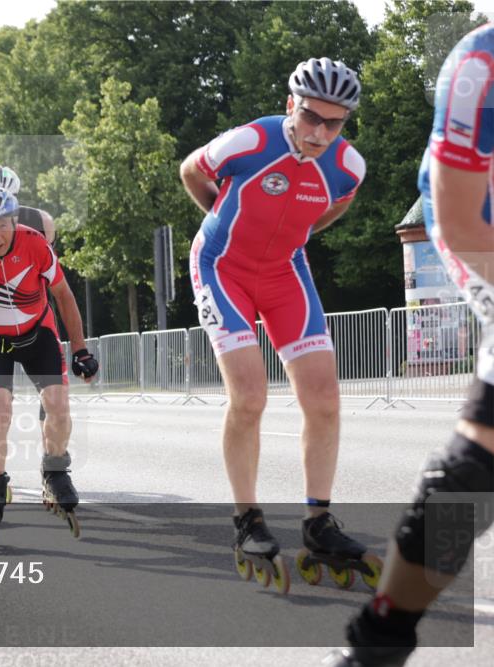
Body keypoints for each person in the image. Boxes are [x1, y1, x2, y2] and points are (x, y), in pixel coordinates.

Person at [326, 24, 494, 666]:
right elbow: (459, 219)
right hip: (477, 227)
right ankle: (381, 640)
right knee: (476, 470)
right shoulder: (480, 64)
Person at [179, 57, 369, 590]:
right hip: (222, 267)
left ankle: (318, 522)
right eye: (311, 117)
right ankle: (247, 520)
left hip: (286, 272)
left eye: (334, 123)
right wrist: (219, 216)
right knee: (250, 396)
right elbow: (191, 171)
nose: (319, 132)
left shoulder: (348, 167)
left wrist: (294, 234)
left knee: (325, 399)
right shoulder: (250, 142)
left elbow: (331, 207)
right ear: (292, 105)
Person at [0, 186, 98, 547]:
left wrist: (80, 349)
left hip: (38, 332)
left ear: (14, 221)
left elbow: (63, 295)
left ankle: (55, 470)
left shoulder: (34, 243)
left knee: (58, 405)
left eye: (2, 226)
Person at [0, 164, 57, 442]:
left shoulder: (42, 222)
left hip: (34, 315)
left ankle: (53, 469)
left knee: (52, 396)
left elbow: (50, 275)